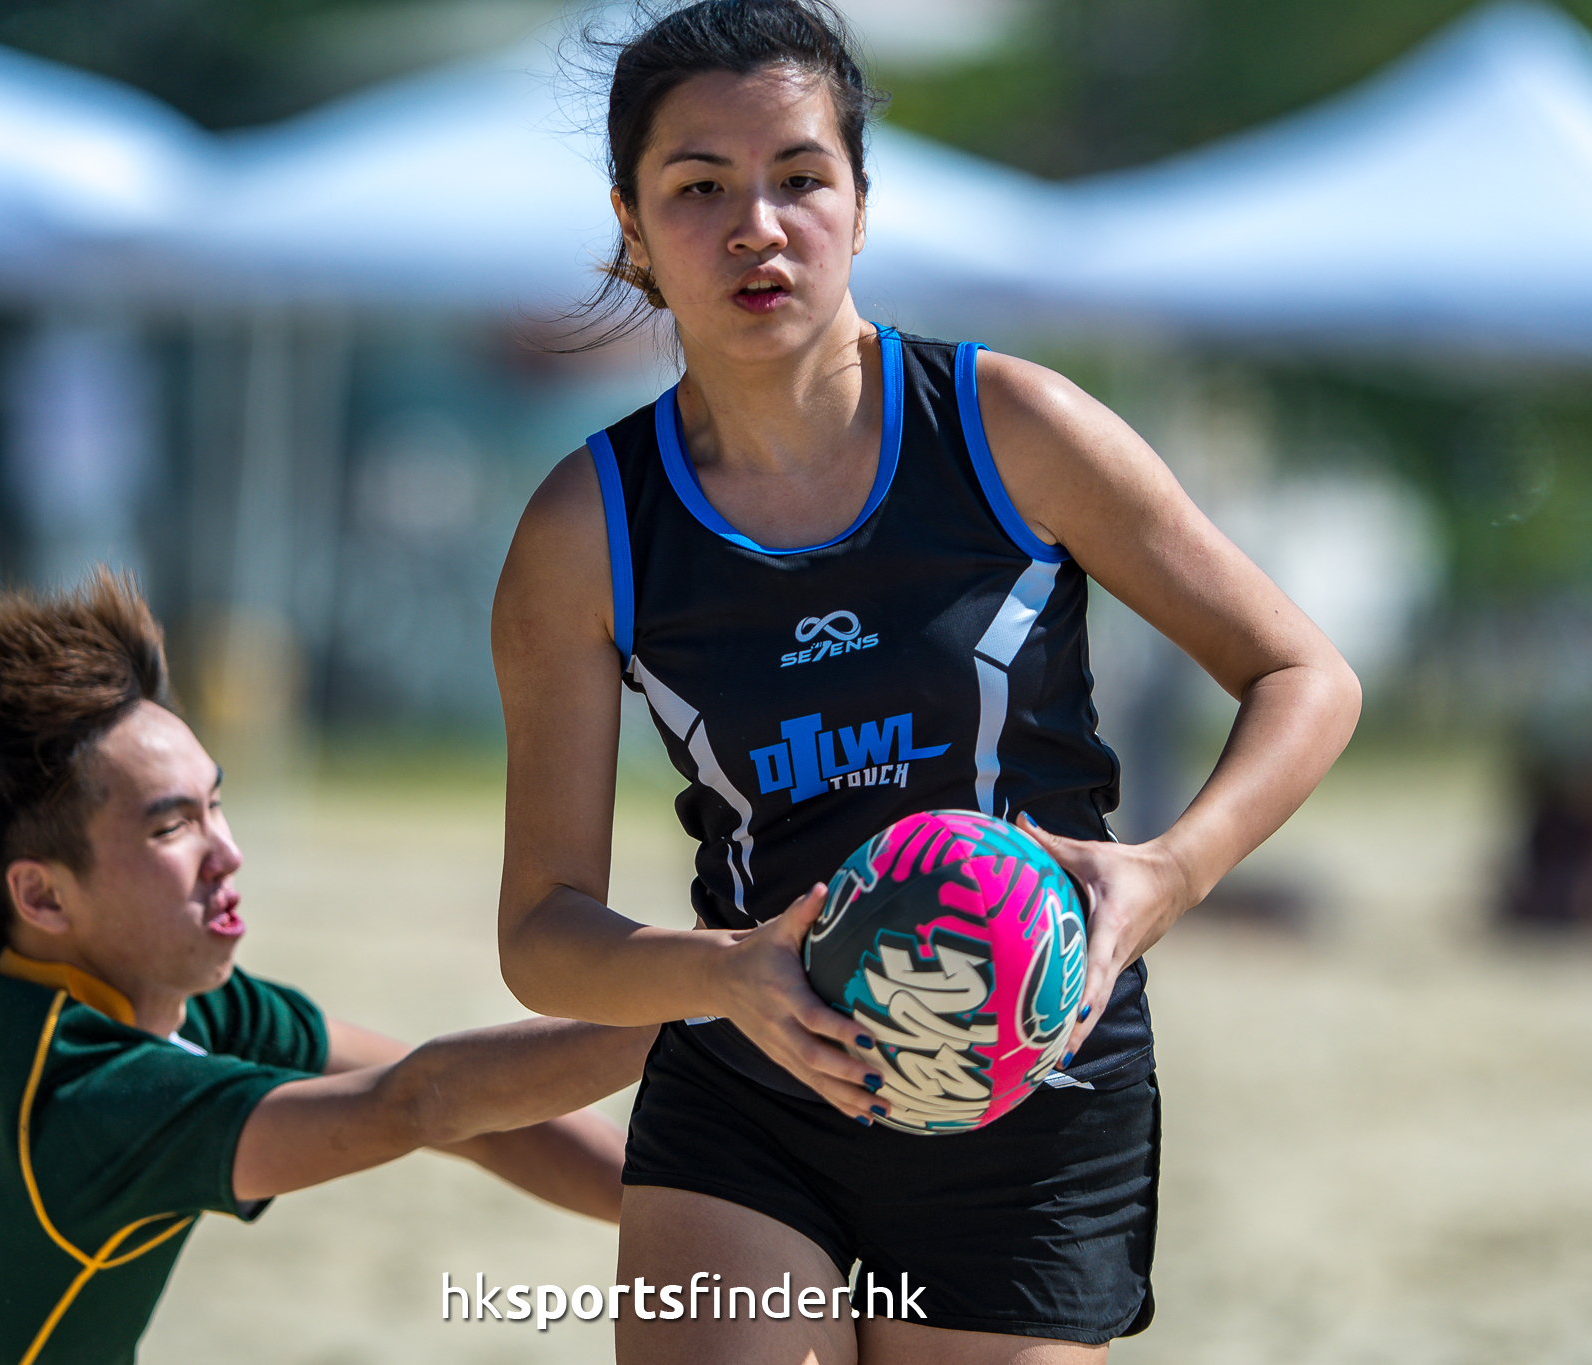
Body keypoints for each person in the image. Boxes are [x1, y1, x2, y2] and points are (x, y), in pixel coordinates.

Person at [492, 2, 1362, 1361]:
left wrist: (1171, 873)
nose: (757, 227)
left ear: (858, 198)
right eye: (699, 187)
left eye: (799, 176)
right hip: (753, 1085)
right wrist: (725, 973)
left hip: (1031, 1081)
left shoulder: (1013, 428)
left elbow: (1305, 672)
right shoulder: (583, 530)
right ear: (630, 222)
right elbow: (542, 934)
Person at [0, 570, 653, 1365]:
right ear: (42, 895)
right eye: (170, 826)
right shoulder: (90, 1103)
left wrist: (705, 1197)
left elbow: (478, 1121)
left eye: (215, 803)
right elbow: (417, 1102)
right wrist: (696, 997)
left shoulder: (115, 985)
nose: (227, 852)